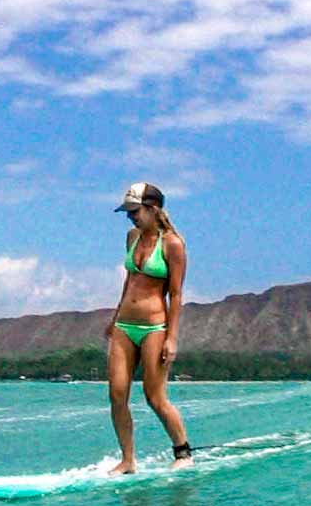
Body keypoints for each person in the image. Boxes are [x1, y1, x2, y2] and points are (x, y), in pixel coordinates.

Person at [105, 182, 193, 474]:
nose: (130, 217)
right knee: (117, 394)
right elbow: (129, 281)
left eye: (134, 211)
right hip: (124, 326)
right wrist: (115, 315)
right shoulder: (131, 237)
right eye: (128, 212)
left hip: (155, 327)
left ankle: (183, 452)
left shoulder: (173, 244)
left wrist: (172, 338)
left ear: (152, 209)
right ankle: (128, 460)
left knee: (155, 398)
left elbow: (177, 294)